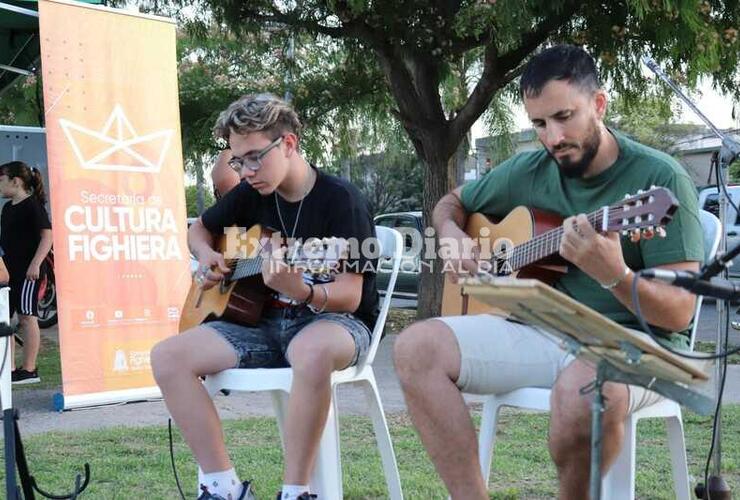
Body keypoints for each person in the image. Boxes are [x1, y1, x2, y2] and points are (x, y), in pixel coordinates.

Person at [393, 45, 704, 499]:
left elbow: (678, 316)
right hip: (544, 330)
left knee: (585, 391)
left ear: (598, 104)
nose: (553, 137)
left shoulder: (659, 182)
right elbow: (453, 201)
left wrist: (615, 275)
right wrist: (449, 232)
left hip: (635, 342)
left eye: (564, 117)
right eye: (539, 124)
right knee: (416, 348)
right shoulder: (530, 169)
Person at [151, 93, 378, 500]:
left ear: (288, 144)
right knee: (168, 356)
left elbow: (349, 293)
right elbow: (198, 230)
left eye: (255, 157)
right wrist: (207, 257)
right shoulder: (252, 193)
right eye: (238, 161)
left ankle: (296, 491)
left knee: (310, 351)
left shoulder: (341, 201)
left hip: (334, 323)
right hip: (261, 323)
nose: (247, 170)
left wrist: (303, 290)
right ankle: (223, 488)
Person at [0, 161, 53, 385]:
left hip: (29, 272)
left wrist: (35, 264)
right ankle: (9, 368)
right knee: (5, 318)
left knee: (26, 316)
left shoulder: (32, 206)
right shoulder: (7, 208)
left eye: (1, 181)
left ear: (16, 181)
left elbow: (47, 237)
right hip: (9, 273)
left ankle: (29, 369)